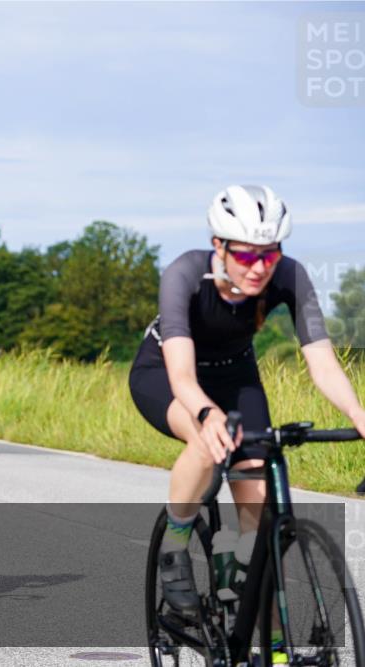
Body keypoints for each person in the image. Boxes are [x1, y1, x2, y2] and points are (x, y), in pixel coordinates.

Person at [128, 185, 365, 623]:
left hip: (236, 372)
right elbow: (182, 377)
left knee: (259, 520)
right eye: (246, 255)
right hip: (166, 370)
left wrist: (358, 413)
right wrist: (206, 412)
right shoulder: (184, 274)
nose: (259, 268)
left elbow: (323, 363)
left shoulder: (290, 276)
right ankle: (175, 546)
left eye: (269, 254)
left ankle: (245, 592)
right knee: (206, 438)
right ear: (218, 245)